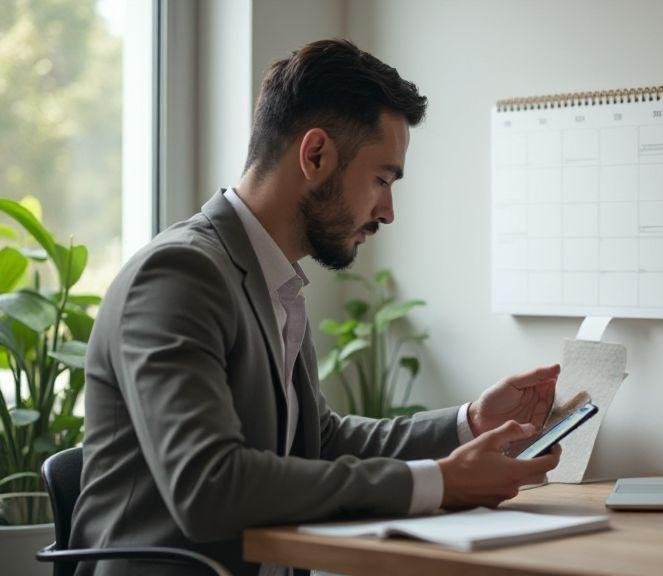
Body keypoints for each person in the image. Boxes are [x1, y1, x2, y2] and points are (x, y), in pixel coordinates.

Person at [68, 39, 561, 576]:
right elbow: (208, 485)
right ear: (316, 154)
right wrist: (441, 481)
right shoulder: (178, 276)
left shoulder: (271, 278)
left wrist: (468, 423)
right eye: (381, 179)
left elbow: (317, 441)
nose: (388, 211)